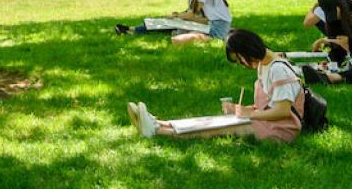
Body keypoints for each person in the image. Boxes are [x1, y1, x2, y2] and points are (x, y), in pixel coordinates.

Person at [127, 29, 305, 142]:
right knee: (213, 121)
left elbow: (282, 111)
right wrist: (241, 109)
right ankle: (159, 123)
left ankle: (158, 132)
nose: (242, 64)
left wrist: (250, 113)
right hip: (267, 120)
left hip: (281, 129)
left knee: (222, 128)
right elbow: (269, 105)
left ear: (247, 51)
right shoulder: (265, 66)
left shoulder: (278, 69)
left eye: (239, 59)